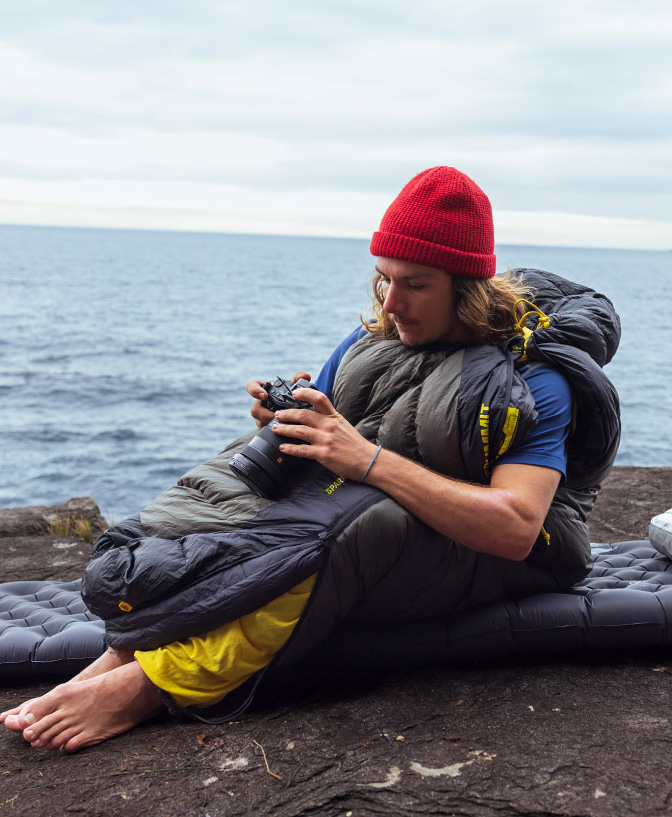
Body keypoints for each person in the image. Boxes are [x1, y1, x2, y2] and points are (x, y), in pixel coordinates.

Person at [2, 166, 609, 753]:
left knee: (351, 527)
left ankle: (150, 684)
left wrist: (367, 460)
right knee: (245, 494)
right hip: (402, 515)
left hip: (527, 555)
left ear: (467, 285)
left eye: (416, 284)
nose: (393, 302)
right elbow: (334, 436)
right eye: (383, 278)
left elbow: (518, 527)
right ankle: (127, 646)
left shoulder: (533, 380)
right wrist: (286, 422)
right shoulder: (378, 338)